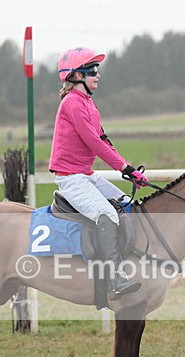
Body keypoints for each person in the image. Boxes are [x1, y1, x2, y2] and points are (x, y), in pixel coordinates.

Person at [49, 47, 149, 299]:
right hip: (70, 178)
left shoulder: (87, 102)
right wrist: (124, 168)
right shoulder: (72, 103)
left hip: (86, 174)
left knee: (127, 205)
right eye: (92, 71)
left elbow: (103, 139)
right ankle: (114, 278)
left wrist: (129, 170)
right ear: (76, 76)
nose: (97, 75)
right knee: (106, 213)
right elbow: (94, 142)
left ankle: (132, 259)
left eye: (97, 70)